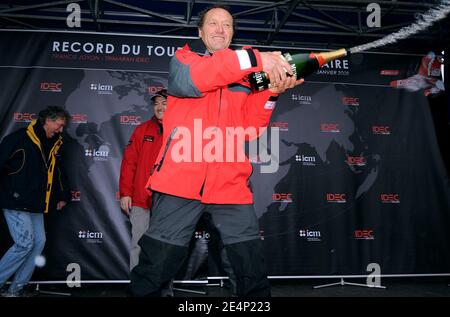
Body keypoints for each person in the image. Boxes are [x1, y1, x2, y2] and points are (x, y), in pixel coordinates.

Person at [130, 4, 303, 297]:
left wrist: (272, 92)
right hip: (178, 184)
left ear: (232, 33)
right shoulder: (184, 61)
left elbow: (250, 127)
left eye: (227, 24)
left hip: (230, 185)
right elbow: (204, 77)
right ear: (200, 32)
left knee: (249, 269)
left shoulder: (247, 78)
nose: (220, 29)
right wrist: (258, 58)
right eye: (213, 23)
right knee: (156, 267)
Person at [0, 106, 71, 297]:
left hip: (36, 202)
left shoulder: (56, 143)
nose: (61, 130)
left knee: (39, 242)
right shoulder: (19, 138)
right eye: (59, 125)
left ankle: (16, 289)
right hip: (15, 200)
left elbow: (58, 172)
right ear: (47, 120)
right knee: (24, 243)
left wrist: (63, 195)